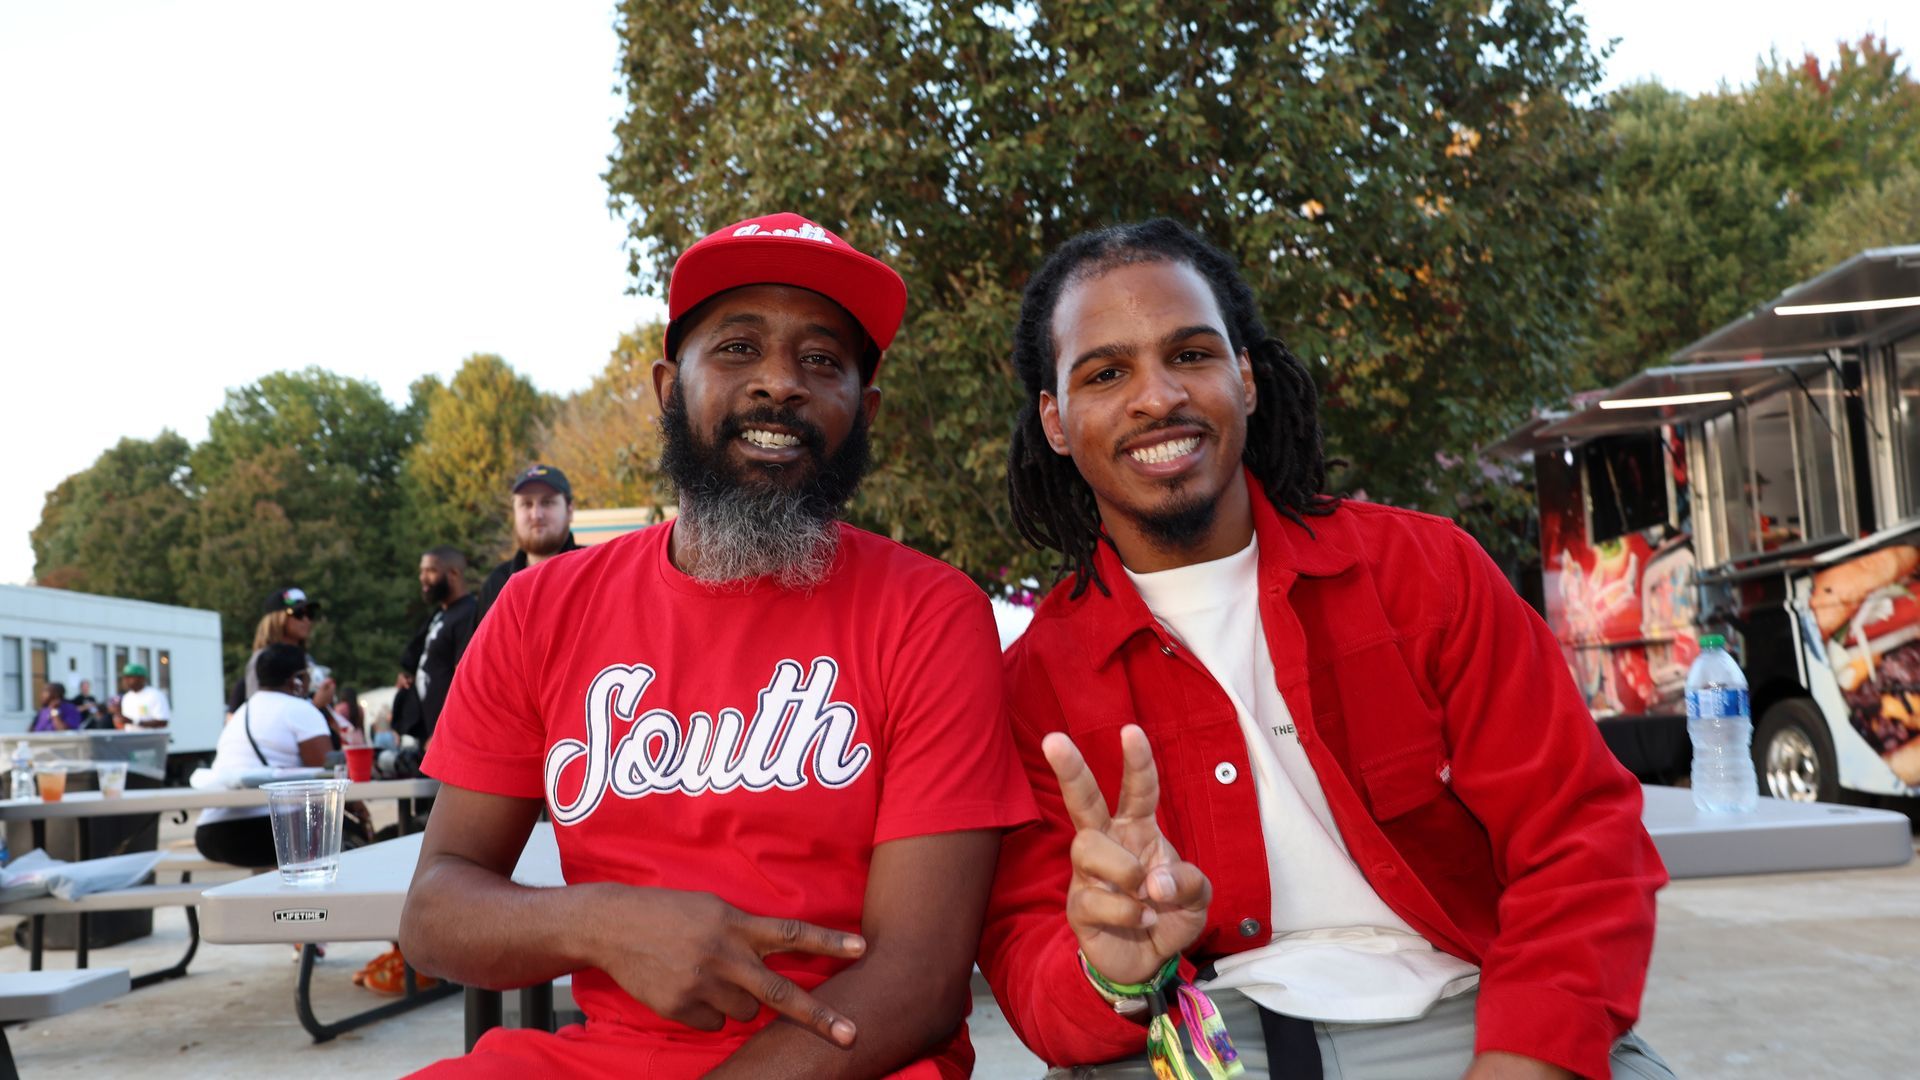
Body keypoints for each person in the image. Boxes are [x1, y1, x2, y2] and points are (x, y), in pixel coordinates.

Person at [978, 220, 1673, 1080]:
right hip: (1193, 1042)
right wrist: (1113, 969)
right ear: (1054, 419)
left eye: (1190, 354)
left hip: (1479, 1011)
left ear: (1246, 377)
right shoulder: (1030, 684)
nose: (1156, 397)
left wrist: (1526, 1058)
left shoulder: (1427, 573)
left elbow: (1582, 838)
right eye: (1106, 372)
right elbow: (1028, 962)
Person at [399, 212, 1036, 1078]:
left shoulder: (930, 610)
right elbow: (436, 916)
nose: (780, 383)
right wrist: (604, 922)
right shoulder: (537, 607)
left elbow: (919, 978)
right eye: (737, 347)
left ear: (865, 409)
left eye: (822, 360)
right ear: (669, 388)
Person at [194, 644, 332, 866]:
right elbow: (329, 773)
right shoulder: (301, 710)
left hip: (212, 832)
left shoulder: (240, 712)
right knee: (350, 839)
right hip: (274, 831)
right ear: (296, 679)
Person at [473, 464, 582, 626]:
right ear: (514, 513)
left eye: (547, 502)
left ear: (570, 511)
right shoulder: (495, 585)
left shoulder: (595, 572)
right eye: (526, 504)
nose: (536, 515)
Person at [394, 547, 476, 745]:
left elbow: (465, 677)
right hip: (431, 737)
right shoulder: (440, 614)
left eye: (431, 571)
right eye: (421, 571)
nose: (423, 578)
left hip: (453, 738)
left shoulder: (469, 613)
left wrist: (447, 731)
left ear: (454, 573)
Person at [228, 588, 326, 716]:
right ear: (277, 619)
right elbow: (262, 714)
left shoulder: (308, 660)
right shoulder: (263, 660)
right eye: (298, 613)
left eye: (310, 614)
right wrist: (316, 705)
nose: (306, 620)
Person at [112, 663, 170, 730]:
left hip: (151, 739)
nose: (126, 680)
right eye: (124, 677)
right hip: (131, 739)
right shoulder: (127, 697)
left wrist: (134, 722)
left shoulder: (155, 695)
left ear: (141, 679)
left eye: (130, 677)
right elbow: (125, 724)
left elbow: (163, 722)